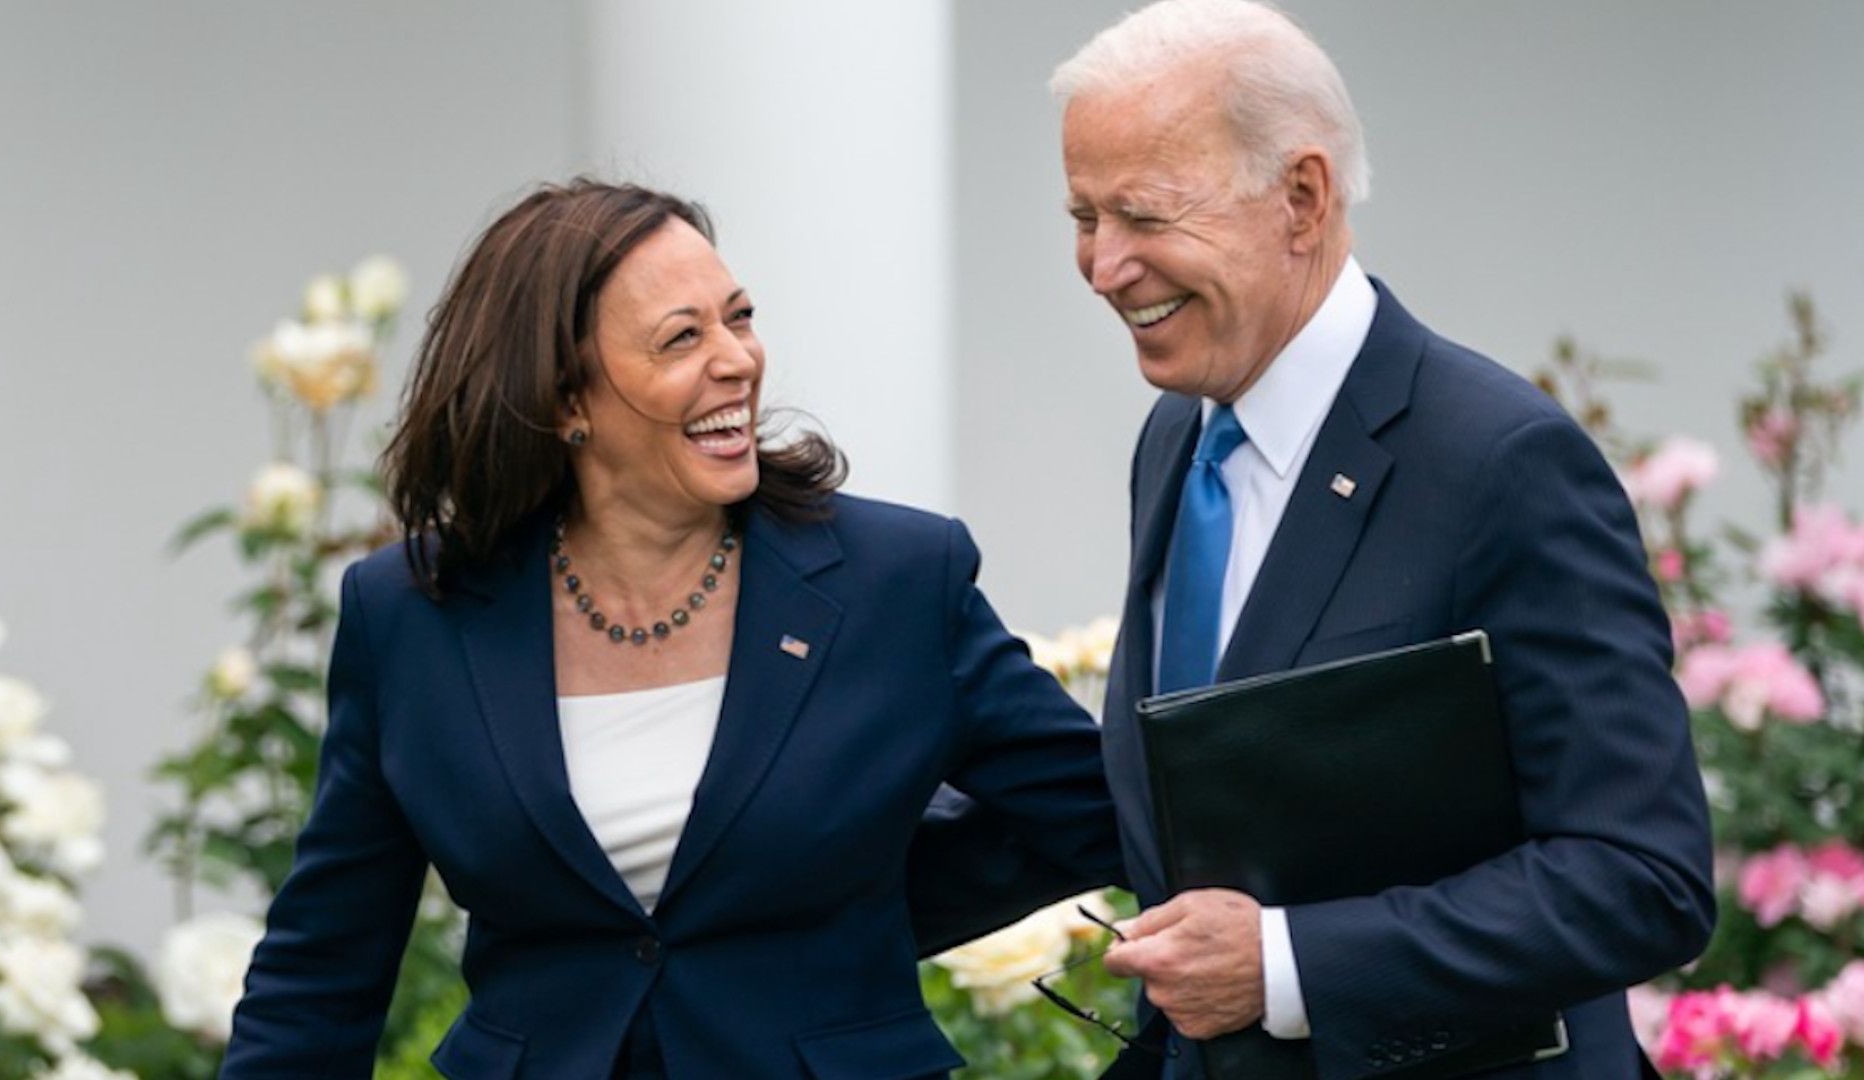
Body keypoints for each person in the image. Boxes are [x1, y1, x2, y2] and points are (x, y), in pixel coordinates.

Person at [219, 178, 1121, 1079]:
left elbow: (1093, 815)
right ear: (566, 398)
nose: (737, 360)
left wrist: (858, 907)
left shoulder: (898, 580)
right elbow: (325, 964)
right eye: (682, 337)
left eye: (739, 317)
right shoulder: (411, 613)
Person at [1048, 2, 1717, 1077]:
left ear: (1301, 199)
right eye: (1084, 215)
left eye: (1144, 214)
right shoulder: (1177, 434)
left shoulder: (1500, 463)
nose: (1103, 264)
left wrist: (1285, 964)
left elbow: (1641, 877)